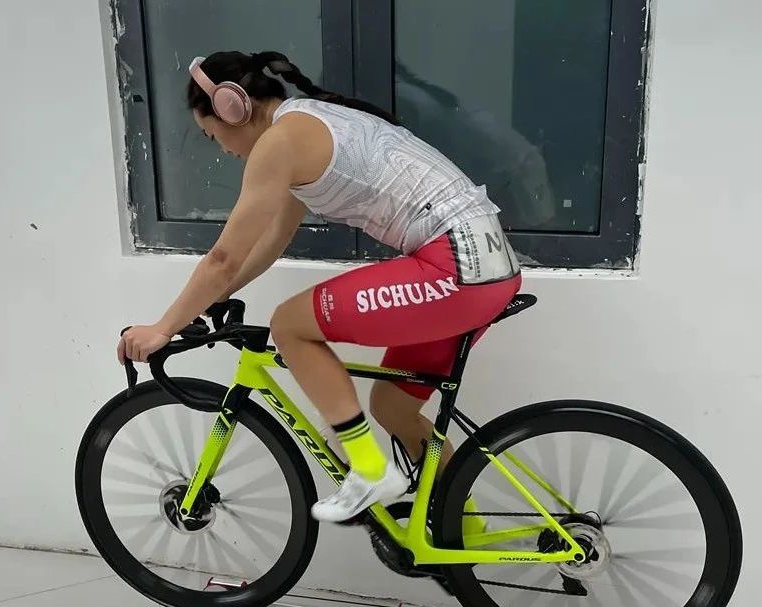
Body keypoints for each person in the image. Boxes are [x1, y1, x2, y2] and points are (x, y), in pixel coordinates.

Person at [118, 51, 521, 523]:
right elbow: (274, 238)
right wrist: (218, 295)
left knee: (290, 324)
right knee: (392, 408)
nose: (222, 150)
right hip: (489, 266)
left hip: (456, 266)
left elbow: (222, 258)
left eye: (213, 135)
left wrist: (163, 328)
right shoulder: (306, 123)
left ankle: (368, 469)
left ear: (232, 107)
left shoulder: (281, 142)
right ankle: (461, 530)